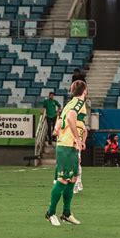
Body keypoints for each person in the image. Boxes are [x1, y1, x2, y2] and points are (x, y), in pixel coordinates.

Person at [45, 80, 87, 226]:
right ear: (85, 91)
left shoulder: (69, 103)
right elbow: (70, 118)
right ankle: (50, 213)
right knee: (63, 180)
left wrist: (57, 130)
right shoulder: (78, 103)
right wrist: (76, 138)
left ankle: (67, 213)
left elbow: (61, 122)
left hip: (70, 146)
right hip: (67, 146)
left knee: (73, 179)